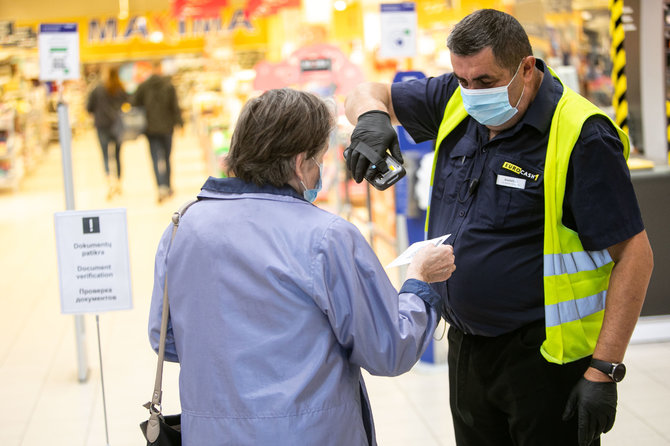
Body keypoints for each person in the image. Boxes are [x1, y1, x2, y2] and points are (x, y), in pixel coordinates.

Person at [344, 9, 653, 446]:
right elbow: (365, 91)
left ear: (526, 68)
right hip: (468, 348)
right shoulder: (456, 97)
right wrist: (371, 119)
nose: (470, 94)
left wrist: (604, 369)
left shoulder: (581, 136)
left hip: (544, 361)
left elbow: (635, 255)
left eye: (485, 82)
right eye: (461, 79)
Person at [148, 88, 456, 445]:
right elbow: (389, 349)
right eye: (319, 158)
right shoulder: (326, 238)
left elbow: (164, 338)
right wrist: (419, 281)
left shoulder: (182, 226)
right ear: (300, 163)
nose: (320, 169)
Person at [133, 60, 183, 203]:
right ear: (160, 70)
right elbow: (175, 106)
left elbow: (134, 104)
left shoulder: (143, 86)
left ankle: (160, 187)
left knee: (155, 158)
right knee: (167, 157)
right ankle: (168, 185)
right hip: (167, 128)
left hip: (150, 129)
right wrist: (180, 123)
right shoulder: (168, 85)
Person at [86, 66, 128, 199]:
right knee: (117, 155)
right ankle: (119, 182)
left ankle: (110, 181)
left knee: (105, 155)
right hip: (117, 126)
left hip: (102, 126)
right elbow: (129, 103)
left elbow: (89, 107)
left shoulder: (97, 89)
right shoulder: (120, 88)